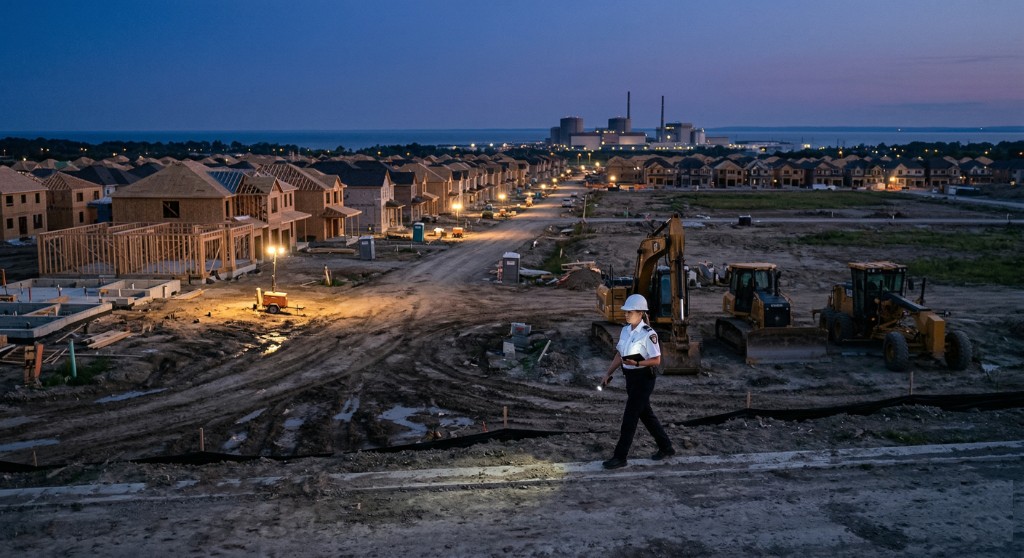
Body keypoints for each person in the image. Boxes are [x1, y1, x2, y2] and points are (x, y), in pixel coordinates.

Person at [599, 293, 676, 469]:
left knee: (630, 417)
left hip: (644, 378)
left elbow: (656, 360)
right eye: (626, 312)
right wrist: (608, 373)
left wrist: (638, 362)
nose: (626, 315)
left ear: (640, 313)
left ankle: (620, 457)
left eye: (630, 312)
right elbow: (619, 354)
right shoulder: (626, 330)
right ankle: (666, 447)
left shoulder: (649, 334)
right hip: (631, 378)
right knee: (646, 415)